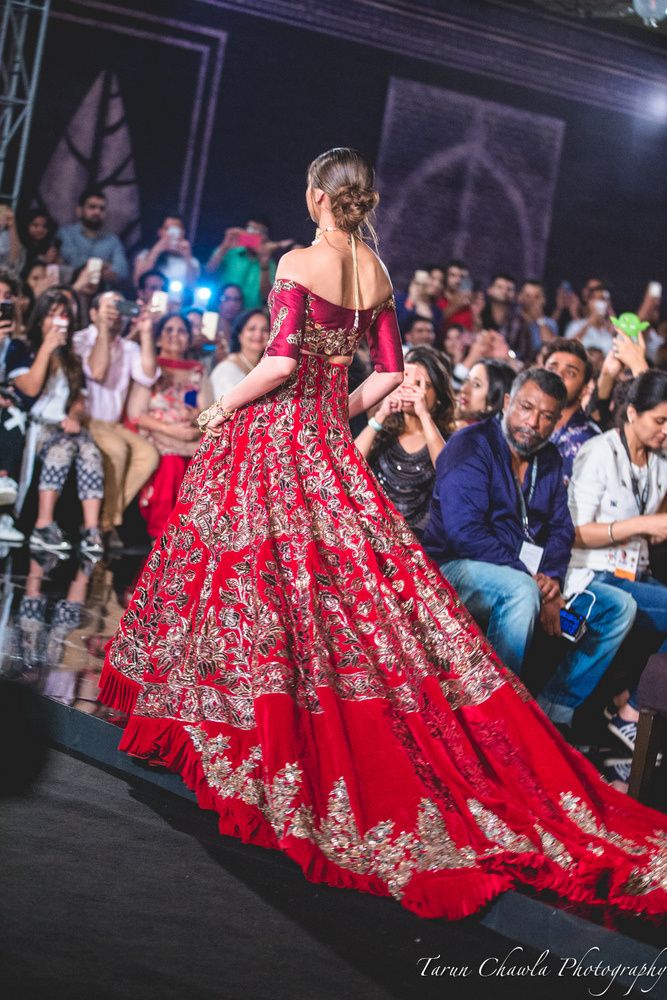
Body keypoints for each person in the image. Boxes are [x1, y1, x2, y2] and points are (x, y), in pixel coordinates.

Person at [99, 148, 667, 923]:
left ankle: (237, 723)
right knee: (332, 598)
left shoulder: (300, 260)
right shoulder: (378, 274)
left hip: (273, 439)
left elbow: (275, 361)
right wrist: (330, 413)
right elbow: (388, 377)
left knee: (249, 587)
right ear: (359, 203)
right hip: (327, 444)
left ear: (313, 197)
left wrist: (224, 409)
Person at [567, 371, 667, 757]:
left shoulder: (658, 462)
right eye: (659, 421)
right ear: (631, 413)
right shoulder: (599, 452)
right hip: (593, 575)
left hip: (632, 573)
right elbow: (575, 532)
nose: (664, 431)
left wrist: (652, 528)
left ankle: (629, 701)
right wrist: (642, 525)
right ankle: (633, 710)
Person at [20, 290, 104, 556]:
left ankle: (91, 530)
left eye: (64, 315)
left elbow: (79, 398)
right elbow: (30, 389)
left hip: (65, 425)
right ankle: (43, 524)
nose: (59, 322)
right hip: (38, 425)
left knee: (90, 451)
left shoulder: (72, 358)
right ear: (41, 319)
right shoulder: (25, 349)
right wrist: (47, 347)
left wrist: (75, 416)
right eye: (52, 315)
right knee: (63, 449)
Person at [72, 292, 159, 540]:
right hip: (87, 418)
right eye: (109, 306)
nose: (115, 312)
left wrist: (145, 331)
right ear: (93, 312)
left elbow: (148, 375)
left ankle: (106, 520)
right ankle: (105, 527)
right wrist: (101, 327)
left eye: (120, 305)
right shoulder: (81, 339)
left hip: (113, 423)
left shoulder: (128, 347)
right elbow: (96, 371)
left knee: (148, 455)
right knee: (118, 451)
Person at [127, 312, 212, 538]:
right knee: (171, 463)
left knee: (207, 460)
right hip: (157, 431)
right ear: (157, 338)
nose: (175, 336)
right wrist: (170, 430)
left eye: (182, 331)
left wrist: (195, 418)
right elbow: (136, 414)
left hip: (189, 433)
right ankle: (162, 534)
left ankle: (193, 534)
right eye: (169, 330)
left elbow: (207, 410)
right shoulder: (151, 368)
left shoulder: (196, 370)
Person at [354, 345, 454, 536]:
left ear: (438, 395)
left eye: (421, 384)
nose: (411, 389)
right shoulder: (382, 429)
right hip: (372, 529)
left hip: (418, 538)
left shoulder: (444, 439)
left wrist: (424, 415)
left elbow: (447, 473)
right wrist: (381, 416)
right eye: (407, 380)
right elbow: (348, 465)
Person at [542, 338, 599, 485]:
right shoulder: (522, 423)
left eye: (570, 373)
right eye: (552, 368)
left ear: (585, 389)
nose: (558, 375)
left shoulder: (590, 441)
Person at [205, 219, 292, 308]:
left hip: (249, 315)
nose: (255, 234)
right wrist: (224, 246)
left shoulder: (270, 265)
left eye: (261, 231)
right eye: (251, 229)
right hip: (219, 309)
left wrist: (264, 266)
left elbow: (268, 297)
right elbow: (209, 270)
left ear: (266, 237)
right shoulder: (230, 252)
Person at [57, 188, 129, 284]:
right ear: (79, 210)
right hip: (71, 290)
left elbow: (122, 271)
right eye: (92, 207)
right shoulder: (66, 233)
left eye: (102, 209)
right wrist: (102, 265)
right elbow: (73, 260)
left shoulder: (112, 240)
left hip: (103, 294)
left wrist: (93, 267)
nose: (97, 212)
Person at [209, 309, 269, 400]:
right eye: (252, 329)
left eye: (265, 330)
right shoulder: (227, 369)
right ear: (239, 335)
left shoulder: (267, 365)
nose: (258, 334)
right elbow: (226, 408)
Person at [133, 214, 200, 289]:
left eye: (176, 229)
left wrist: (187, 257)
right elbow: (138, 283)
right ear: (160, 232)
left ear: (182, 233)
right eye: (168, 229)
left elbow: (192, 286)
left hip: (177, 299)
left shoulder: (192, 261)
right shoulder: (146, 255)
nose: (172, 234)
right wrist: (156, 251)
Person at [455, 359, 515, 429]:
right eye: (467, 380)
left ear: (494, 402)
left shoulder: (467, 433)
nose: (463, 389)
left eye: (476, 384)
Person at [565, 283, 615, 355]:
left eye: (603, 299)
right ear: (589, 302)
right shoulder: (576, 325)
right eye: (596, 299)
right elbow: (568, 347)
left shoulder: (611, 328)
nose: (601, 303)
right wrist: (588, 324)